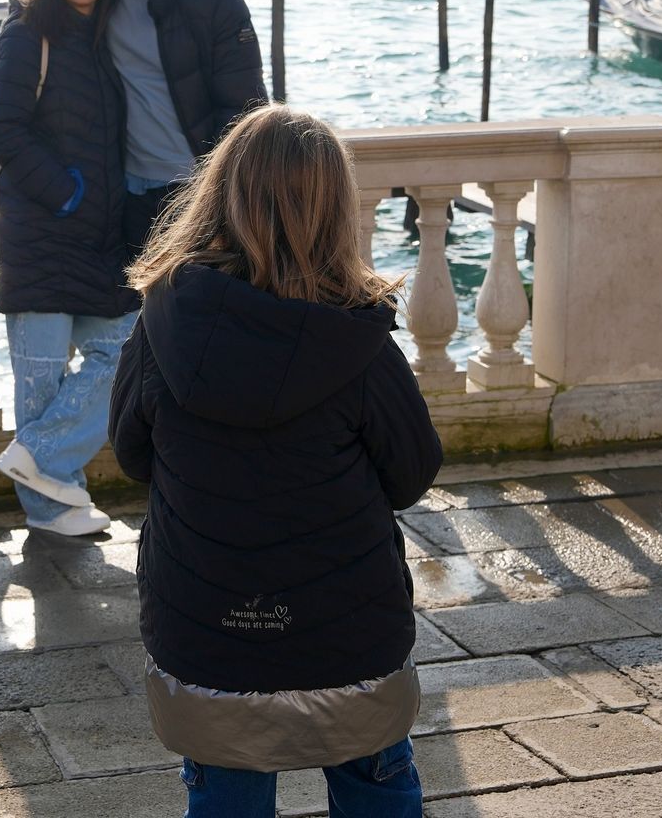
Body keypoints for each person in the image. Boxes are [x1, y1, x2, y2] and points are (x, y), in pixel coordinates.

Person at [108, 105, 444, 817]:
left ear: (219, 192)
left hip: (207, 629)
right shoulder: (358, 342)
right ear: (334, 209)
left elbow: (132, 454)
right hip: (348, 630)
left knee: (226, 795)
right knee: (374, 786)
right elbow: (412, 473)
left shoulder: (162, 322)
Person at [0, 0, 138, 538]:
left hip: (99, 242)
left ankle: (40, 461)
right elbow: (3, 131)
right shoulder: (29, 29)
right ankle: (52, 509)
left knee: (128, 352)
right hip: (41, 236)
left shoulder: (107, 34)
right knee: (41, 381)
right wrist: (66, 195)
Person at [91, 0, 269, 255]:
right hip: (131, 196)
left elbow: (247, 107)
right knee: (146, 314)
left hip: (199, 192)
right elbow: (37, 17)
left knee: (206, 313)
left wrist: (226, 198)